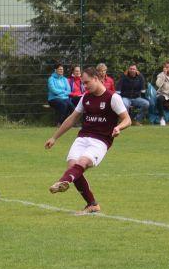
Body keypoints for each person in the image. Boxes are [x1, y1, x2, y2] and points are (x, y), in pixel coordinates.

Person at [45, 66, 132, 215]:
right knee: (72, 166)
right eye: (83, 83)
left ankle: (62, 181)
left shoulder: (112, 97)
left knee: (82, 162)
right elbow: (72, 119)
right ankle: (92, 204)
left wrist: (119, 128)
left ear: (96, 79)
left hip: (101, 140)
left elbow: (127, 119)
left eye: (87, 82)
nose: (85, 86)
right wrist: (54, 137)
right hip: (83, 137)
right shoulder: (85, 97)